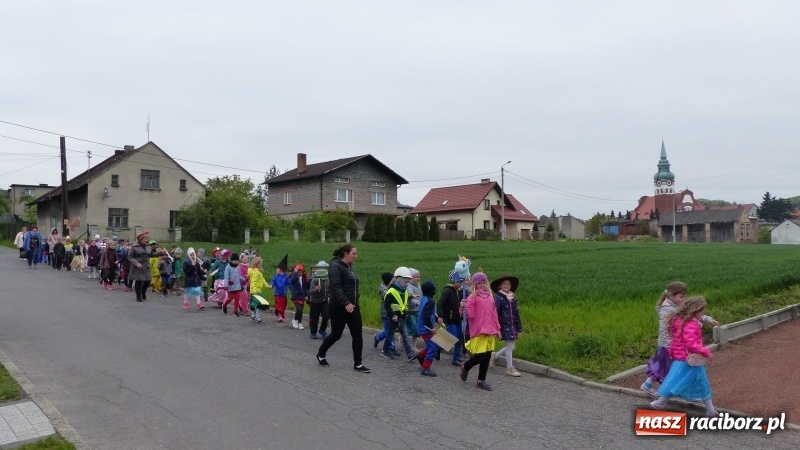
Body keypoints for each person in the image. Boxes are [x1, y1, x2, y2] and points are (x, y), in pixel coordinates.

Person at [641, 282, 718, 396]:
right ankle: (663, 391)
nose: (683, 299)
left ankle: (649, 385)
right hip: (669, 344)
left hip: (674, 344)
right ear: (671, 295)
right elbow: (663, 330)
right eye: (681, 296)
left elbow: (693, 313)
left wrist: (708, 319)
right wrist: (669, 346)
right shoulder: (666, 310)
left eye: (684, 296)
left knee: (665, 367)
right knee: (667, 367)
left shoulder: (678, 305)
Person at [650, 296, 718, 417]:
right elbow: (691, 344)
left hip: (681, 359)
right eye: (702, 311)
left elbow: (676, 340)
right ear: (695, 311)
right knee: (701, 383)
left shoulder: (680, 321)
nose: (703, 314)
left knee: (677, 382)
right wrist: (706, 352)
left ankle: (660, 403)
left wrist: (672, 353)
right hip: (690, 360)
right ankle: (710, 411)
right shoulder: (691, 324)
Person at [316, 244, 369, 373]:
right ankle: (321, 354)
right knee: (336, 334)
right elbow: (335, 286)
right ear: (345, 253)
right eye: (354, 254)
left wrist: (353, 302)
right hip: (339, 307)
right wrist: (346, 303)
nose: (356, 256)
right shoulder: (336, 266)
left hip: (353, 306)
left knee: (357, 334)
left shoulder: (349, 267)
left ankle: (358, 363)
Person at [459, 272, 501, 391]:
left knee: (487, 356)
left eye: (484, 282)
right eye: (479, 283)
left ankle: (481, 380)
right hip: (479, 330)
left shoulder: (489, 297)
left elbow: (494, 314)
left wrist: (498, 328)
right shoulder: (472, 297)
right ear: (474, 284)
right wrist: (464, 307)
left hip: (490, 330)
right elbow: (470, 316)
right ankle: (466, 366)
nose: (482, 285)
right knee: (480, 355)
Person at [381, 266, 417, 361]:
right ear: (398, 281)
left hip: (402, 317)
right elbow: (387, 305)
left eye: (408, 282)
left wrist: (411, 296)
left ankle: (409, 354)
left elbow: (402, 301)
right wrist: (392, 315)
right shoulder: (391, 292)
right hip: (393, 318)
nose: (406, 285)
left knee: (405, 335)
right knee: (389, 335)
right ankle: (385, 351)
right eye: (405, 282)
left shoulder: (404, 291)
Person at [491, 275, 523, 377]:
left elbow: (516, 314)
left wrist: (519, 329)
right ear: (500, 286)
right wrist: (497, 328)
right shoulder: (499, 299)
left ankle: (495, 356)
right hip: (504, 326)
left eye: (508, 284)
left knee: (511, 347)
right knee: (510, 347)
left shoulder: (513, 299)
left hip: (513, 326)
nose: (506, 285)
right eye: (504, 283)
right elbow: (494, 314)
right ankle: (510, 368)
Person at [127, 232, 167, 302]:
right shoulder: (134, 247)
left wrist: (161, 253)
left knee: (148, 281)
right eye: (145, 239)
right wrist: (136, 263)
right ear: (140, 239)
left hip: (146, 266)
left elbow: (152, 255)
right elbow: (129, 257)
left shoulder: (148, 246)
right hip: (138, 266)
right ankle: (138, 296)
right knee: (138, 281)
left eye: (147, 239)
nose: (146, 240)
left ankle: (143, 292)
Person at [437, 270, 466, 366]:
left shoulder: (461, 291)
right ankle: (436, 348)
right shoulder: (447, 291)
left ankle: (456, 358)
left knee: (460, 339)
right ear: (454, 281)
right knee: (450, 338)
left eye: (462, 281)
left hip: (459, 319)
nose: (461, 283)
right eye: (459, 282)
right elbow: (440, 303)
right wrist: (440, 316)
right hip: (450, 319)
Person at [415, 280, 439, 377]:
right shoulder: (430, 301)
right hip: (426, 329)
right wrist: (431, 328)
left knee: (432, 346)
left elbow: (428, 313)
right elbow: (426, 316)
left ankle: (421, 356)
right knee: (432, 348)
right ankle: (425, 368)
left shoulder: (423, 299)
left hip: (422, 327)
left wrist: (437, 319)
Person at [373, 272, 398, 354]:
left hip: (393, 311)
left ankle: (390, 346)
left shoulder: (393, 287)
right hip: (385, 312)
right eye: (391, 281)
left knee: (391, 330)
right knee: (388, 331)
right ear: (387, 281)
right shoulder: (383, 288)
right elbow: (388, 296)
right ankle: (388, 346)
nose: (393, 283)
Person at [307, 261, 330, 339]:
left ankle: (322, 330)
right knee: (315, 318)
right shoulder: (315, 279)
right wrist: (316, 289)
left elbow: (329, 289)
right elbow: (310, 292)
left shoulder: (328, 279)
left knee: (326, 316)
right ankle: (313, 332)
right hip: (315, 302)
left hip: (324, 301)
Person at [269, 254, 290, 322]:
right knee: (278, 305)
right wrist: (271, 285)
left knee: (283, 305)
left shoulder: (286, 277)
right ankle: (278, 314)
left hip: (283, 294)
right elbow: (273, 281)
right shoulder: (276, 276)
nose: (276, 270)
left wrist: (293, 288)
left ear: (281, 270)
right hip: (277, 294)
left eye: (277, 268)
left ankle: (282, 315)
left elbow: (289, 283)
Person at [405, 268, 422, 350]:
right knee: (410, 328)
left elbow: (420, 296)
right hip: (410, 311)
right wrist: (417, 302)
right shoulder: (409, 286)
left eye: (419, 277)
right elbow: (410, 297)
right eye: (415, 277)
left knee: (417, 330)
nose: (418, 278)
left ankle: (413, 346)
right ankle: (402, 338)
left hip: (417, 310)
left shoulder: (418, 285)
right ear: (411, 277)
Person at [247, 257, 268, 322]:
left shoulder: (258, 271)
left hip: (258, 290)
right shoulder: (256, 272)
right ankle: (257, 316)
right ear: (257, 264)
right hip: (256, 291)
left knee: (255, 304)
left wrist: (267, 285)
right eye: (260, 263)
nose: (261, 265)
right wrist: (253, 291)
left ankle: (254, 316)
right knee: (258, 303)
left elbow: (262, 279)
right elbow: (253, 282)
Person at [290, 263, 310, 329]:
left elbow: (305, 288)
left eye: (301, 271)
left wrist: (307, 295)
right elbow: (292, 280)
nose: (300, 272)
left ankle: (299, 322)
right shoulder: (294, 278)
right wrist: (295, 272)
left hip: (302, 297)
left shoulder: (303, 279)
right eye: (298, 271)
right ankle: (295, 320)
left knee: (301, 311)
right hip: (295, 296)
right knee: (299, 310)